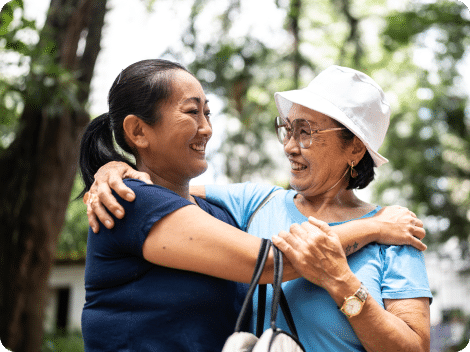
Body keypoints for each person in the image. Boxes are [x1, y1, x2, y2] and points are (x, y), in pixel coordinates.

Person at [79, 60, 426, 352]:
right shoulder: (252, 203)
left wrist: (346, 286)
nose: (290, 145)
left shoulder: (397, 236)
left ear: (355, 149)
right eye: (288, 129)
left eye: (306, 132)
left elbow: (415, 347)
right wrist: (115, 169)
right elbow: (164, 192)